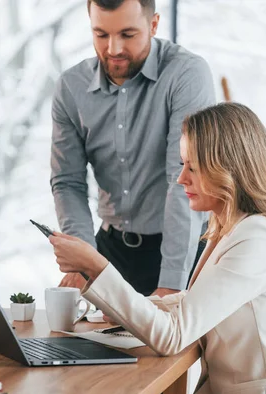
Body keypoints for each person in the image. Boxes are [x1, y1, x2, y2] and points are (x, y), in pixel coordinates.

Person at [50, 102, 266, 394]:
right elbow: (197, 301)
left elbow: (173, 336)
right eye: (182, 164)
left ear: (228, 169)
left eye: (193, 167)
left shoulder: (256, 240)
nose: (181, 178)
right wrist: (125, 310)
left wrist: (96, 266)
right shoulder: (231, 227)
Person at [50, 0, 215, 297]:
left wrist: (171, 284)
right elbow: (67, 182)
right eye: (101, 35)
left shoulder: (186, 74)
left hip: (183, 249)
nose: (113, 49)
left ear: (153, 25)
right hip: (110, 250)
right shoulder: (71, 87)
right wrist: (83, 258)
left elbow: (182, 179)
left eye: (127, 34)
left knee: (178, 344)